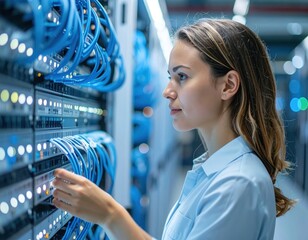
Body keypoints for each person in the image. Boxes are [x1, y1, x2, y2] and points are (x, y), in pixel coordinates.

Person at [52, 18, 295, 240]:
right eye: (170, 77)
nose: (167, 92)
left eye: (182, 77)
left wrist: (109, 215)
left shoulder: (237, 185)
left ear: (228, 85)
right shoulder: (216, 171)